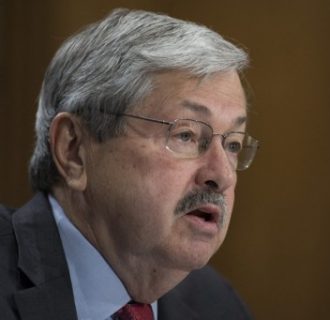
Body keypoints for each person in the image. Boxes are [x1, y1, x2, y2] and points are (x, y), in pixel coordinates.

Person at [0, 8, 259, 320]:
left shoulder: (217, 305)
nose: (222, 175)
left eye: (232, 144)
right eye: (186, 135)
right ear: (74, 150)